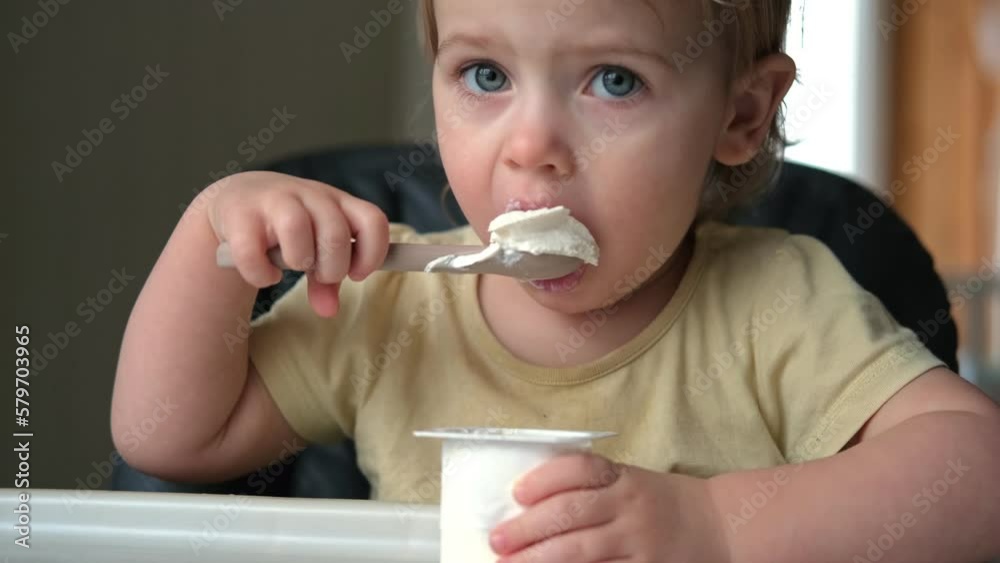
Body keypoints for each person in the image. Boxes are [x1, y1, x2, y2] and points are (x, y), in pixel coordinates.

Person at [112, 1, 1000, 561]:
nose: (531, 144)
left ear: (739, 114)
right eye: (485, 75)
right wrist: (211, 230)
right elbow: (171, 437)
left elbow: (977, 477)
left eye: (614, 81)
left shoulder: (779, 304)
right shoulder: (395, 304)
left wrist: (716, 527)